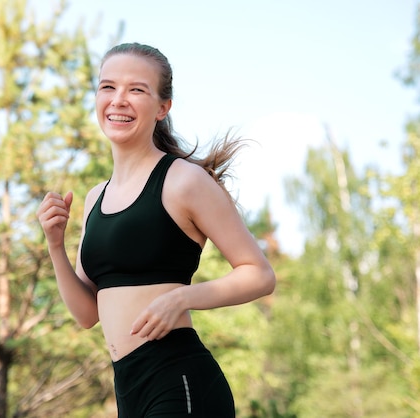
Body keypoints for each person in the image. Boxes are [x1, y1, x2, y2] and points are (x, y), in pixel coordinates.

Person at [37, 42, 276, 418]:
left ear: (162, 108)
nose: (118, 100)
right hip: (129, 391)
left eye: (136, 90)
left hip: (178, 380)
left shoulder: (183, 181)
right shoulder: (95, 197)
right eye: (108, 87)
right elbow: (86, 314)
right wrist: (54, 245)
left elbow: (259, 274)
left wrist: (182, 299)